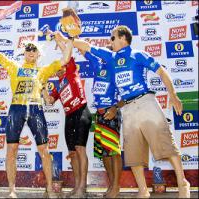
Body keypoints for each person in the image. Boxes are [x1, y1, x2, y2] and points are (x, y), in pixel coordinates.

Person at [63, 25, 190, 198]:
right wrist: (69, 39)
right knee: (133, 154)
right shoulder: (111, 57)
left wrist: (173, 95)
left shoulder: (137, 54)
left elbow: (161, 71)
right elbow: (86, 47)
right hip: (128, 108)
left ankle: (183, 183)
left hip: (145, 102)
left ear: (123, 38)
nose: (110, 41)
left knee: (165, 144)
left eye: (113, 38)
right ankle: (143, 190)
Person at [0, 28, 72, 198]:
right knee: (11, 150)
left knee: (45, 150)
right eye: (28, 49)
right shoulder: (14, 66)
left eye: (34, 49)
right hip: (16, 109)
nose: (31, 52)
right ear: (24, 52)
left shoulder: (43, 70)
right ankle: (12, 190)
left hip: (35, 108)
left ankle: (49, 189)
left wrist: (67, 38)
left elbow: (66, 58)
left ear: (38, 54)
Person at [42, 39, 92, 198]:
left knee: (80, 149)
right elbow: (49, 101)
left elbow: (67, 52)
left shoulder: (71, 71)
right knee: (72, 152)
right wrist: (43, 87)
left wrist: (58, 38)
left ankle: (82, 188)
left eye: (59, 67)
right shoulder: (58, 86)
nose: (57, 70)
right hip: (68, 117)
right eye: (55, 69)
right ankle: (77, 185)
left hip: (81, 112)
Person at [83, 49, 123, 198]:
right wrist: (73, 35)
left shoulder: (118, 68)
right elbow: (83, 49)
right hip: (99, 115)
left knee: (113, 151)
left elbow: (127, 95)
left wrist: (115, 108)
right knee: (104, 153)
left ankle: (116, 187)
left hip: (111, 112)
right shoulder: (98, 65)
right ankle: (112, 185)